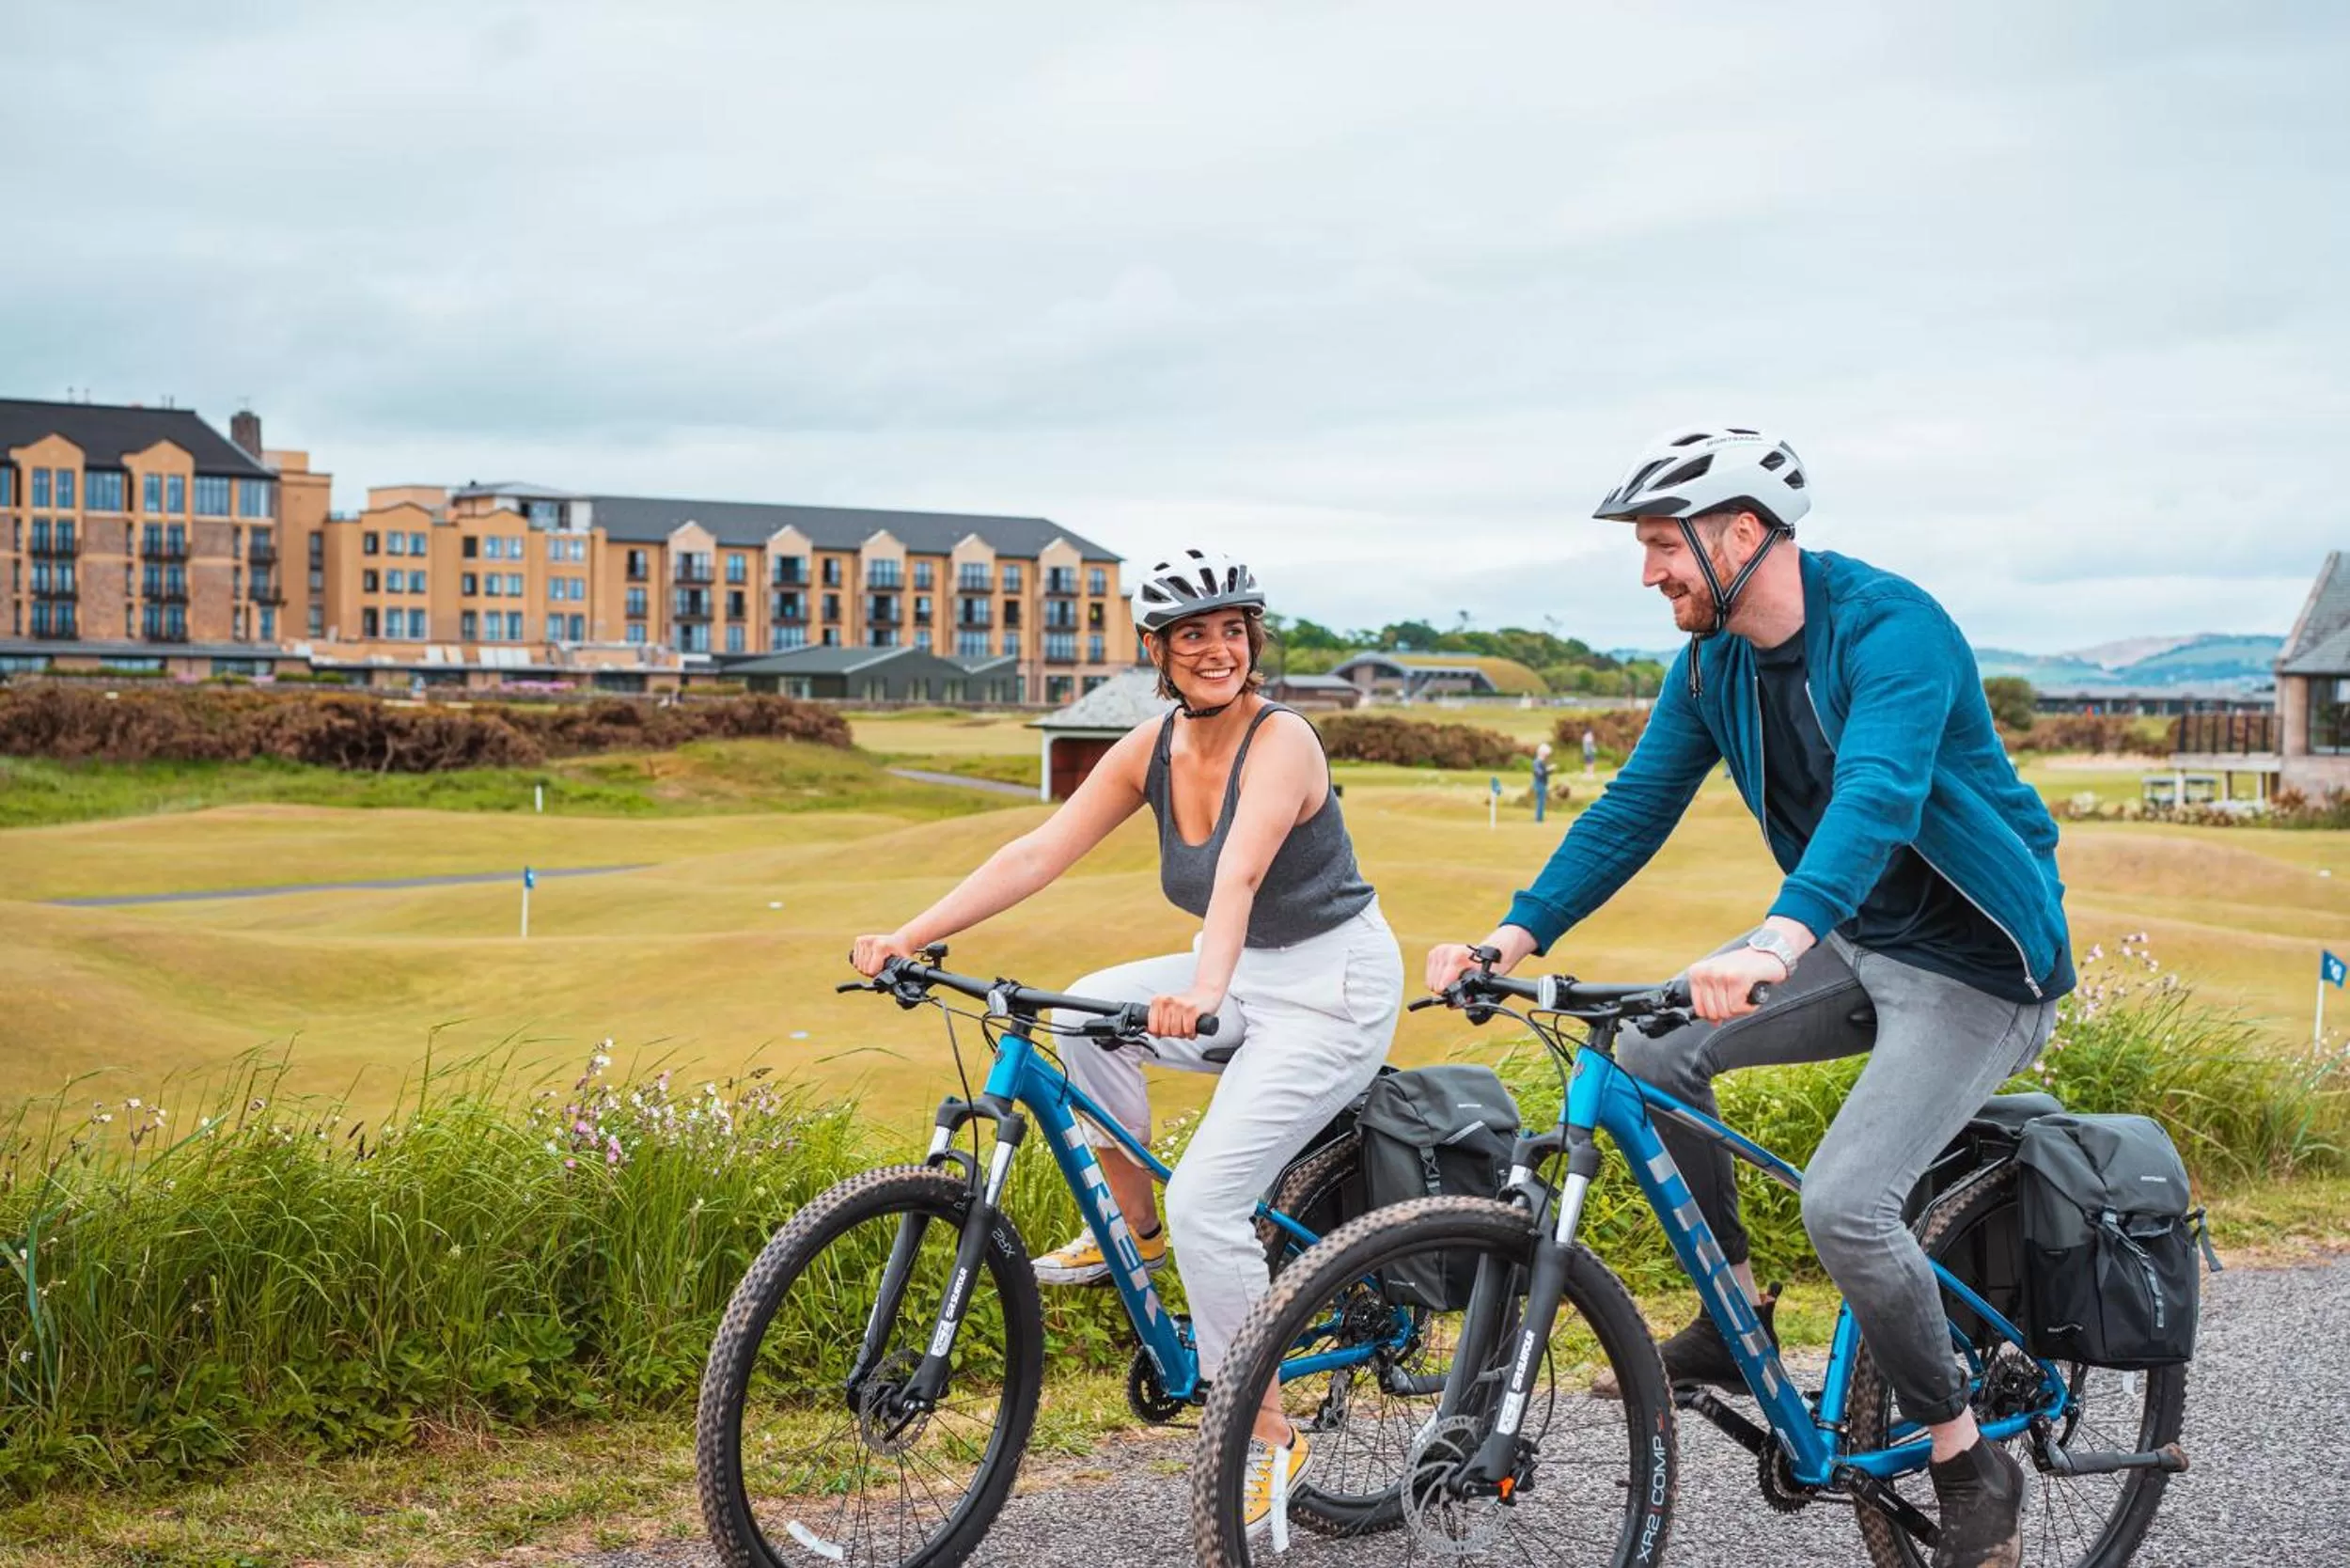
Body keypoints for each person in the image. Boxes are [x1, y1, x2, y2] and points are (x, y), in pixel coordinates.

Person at [1426, 428, 2072, 1568]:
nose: (1648, 575)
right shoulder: (1712, 665)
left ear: (1743, 533)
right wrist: (1509, 934)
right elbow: (1632, 809)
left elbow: (1876, 795)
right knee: (1647, 1054)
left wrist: (1777, 938)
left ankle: (1965, 1454)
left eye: (1662, 546)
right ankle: (1737, 1311)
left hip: (1977, 964)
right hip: (1855, 941)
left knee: (1846, 1204)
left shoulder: (1891, 628)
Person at [851, 546, 1402, 1537]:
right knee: (1078, 1012)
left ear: (1252, 640)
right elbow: (1038, 849)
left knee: (1213, 1203)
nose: (1217, 649)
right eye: (1193, 634)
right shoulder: (1148, 747)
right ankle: (1132, 1235)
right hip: (1237, 973)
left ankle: (1266, 1431)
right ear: (1156, 649)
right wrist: (912, 933)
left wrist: (1203, 987)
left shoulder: (1284, 741)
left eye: (1232, 630)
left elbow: (1235, 876)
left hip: (1330, 987)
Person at [1531, 742, 1553, 823]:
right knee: (1540, 801)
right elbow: (1540, 773)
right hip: (1539, 783)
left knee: (1542, 801)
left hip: (1542, 783)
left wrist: (1549, 771)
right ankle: (1538, 819)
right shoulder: (1537, 762)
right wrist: (1548, 770)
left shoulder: (1541, 762)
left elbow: (1544, 774)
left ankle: (1539, 818)